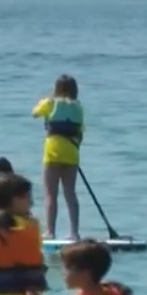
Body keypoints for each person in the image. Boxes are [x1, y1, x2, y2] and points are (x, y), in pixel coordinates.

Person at [31, 74, 84, 241]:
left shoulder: (50, 103)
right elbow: (81, 133)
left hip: (53, 152)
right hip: (72, 153)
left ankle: (50, 231)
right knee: (70, 193)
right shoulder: (78, 107)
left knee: (50, 194)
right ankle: (74, 233)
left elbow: (35, 113)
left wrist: (44, 101)